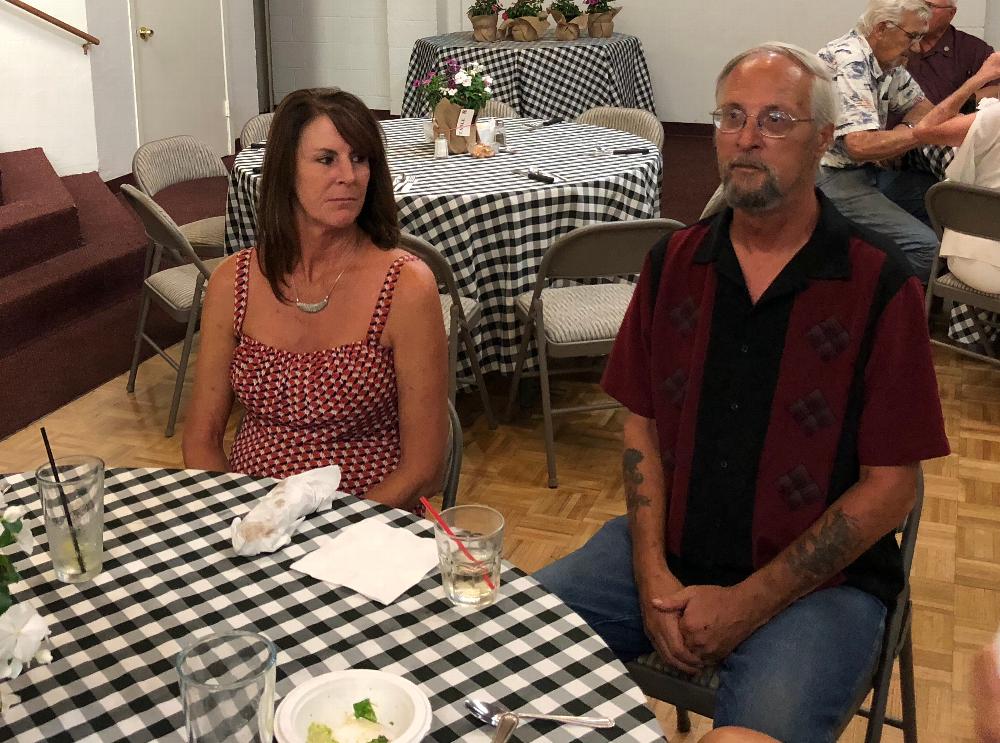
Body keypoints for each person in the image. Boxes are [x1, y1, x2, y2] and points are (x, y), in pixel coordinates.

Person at [535, 41, 950, 743]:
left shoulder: (877, 286)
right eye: (732, 116)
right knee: (500, 641)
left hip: (823, 590)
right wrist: (650, 570)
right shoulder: (674, 263)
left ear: (824, 140)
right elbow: (640, 426)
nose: (748, 137)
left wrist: (745, 604)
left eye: (776, 119)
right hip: (668, 552)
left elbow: (891, 490)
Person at [183, 88, 448, 513]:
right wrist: (238, 517)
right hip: (252, 513)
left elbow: (425, 469)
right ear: (286, 171)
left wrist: (329, 533)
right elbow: (201, 439)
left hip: (368, 517)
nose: (349, 175)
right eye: (327, 159)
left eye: (360, 158)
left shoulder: (406, 285)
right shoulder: (233, 282)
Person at [815, 0, 983, 282]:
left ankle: (880, 261)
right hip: (828, 178)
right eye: (913, 36)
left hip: (864, 172)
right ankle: (886, 310)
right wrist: (918, 133)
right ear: (882, 28)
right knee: (927, 248)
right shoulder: (850, 62)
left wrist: (905, 129)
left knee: (945, 203)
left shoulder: (886, 61)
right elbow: (859, 147)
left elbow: (924, 108)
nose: (917, 47)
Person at [914, 62, 1000, 294]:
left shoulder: (994, 118)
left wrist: (979, 78)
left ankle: (968, 329)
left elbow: (923, 130)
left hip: (975, 262)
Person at [905, 0, 999, 109]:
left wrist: (959, 102)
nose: (919, 11)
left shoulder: (973, 50)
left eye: (928, 6)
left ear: (951, 13)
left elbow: (995, 90)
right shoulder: (897, 41)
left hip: (949, 122)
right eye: (917, 4)